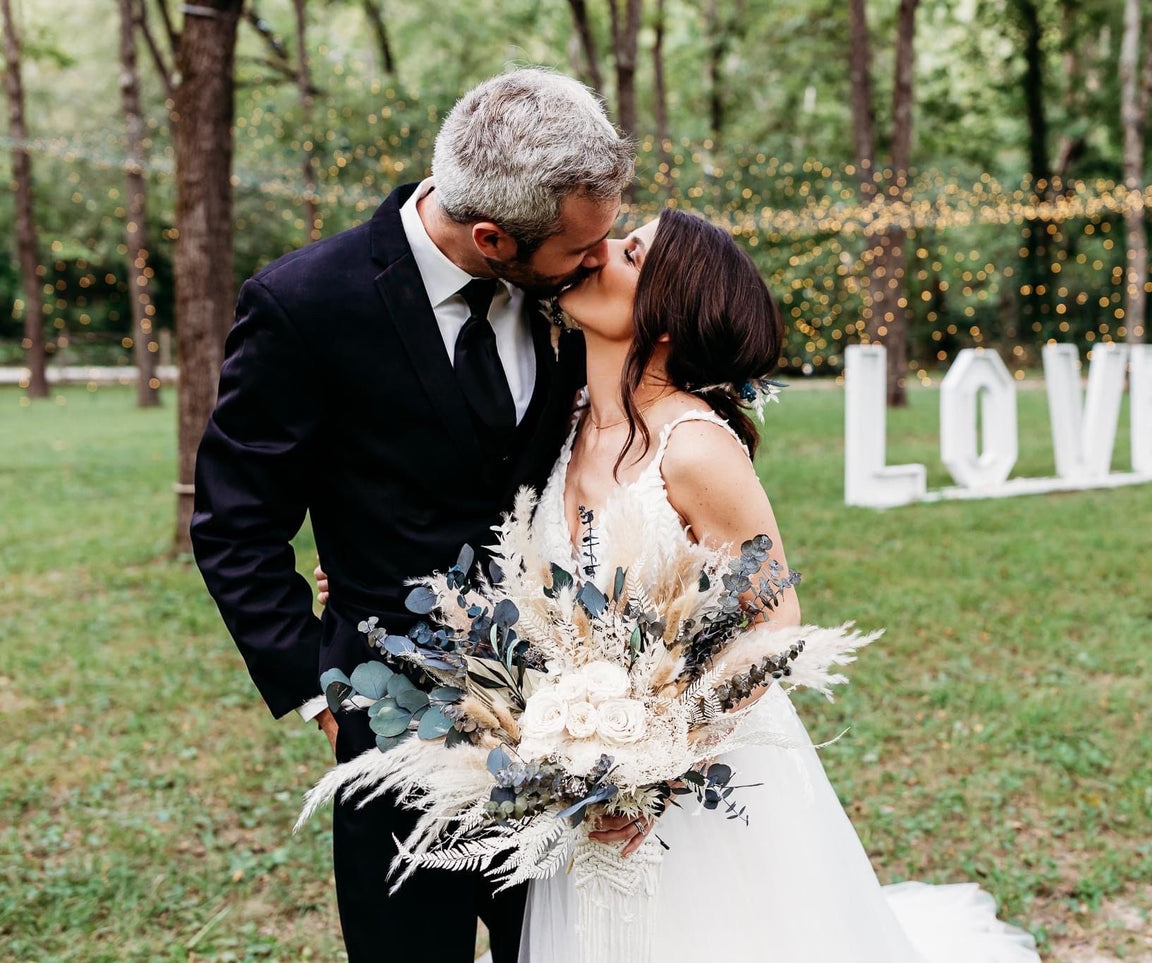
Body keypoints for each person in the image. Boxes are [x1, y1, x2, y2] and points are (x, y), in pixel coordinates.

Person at [320, 207, 1042, 960]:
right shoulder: (560, 423)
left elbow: (774, 618)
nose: (598, 253)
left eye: (628, 253)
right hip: (575, 779)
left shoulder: (694, 446)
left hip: (677, 793)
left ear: (667, 314)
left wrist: (657, 771)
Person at [190, 68, 634, 963]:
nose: (601, 256)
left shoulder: (578, 301)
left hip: (566, 719)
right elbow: (235, 521)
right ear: (491, 236)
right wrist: (324, 692)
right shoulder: (304, 304)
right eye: (580, 247)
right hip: (392, 730)